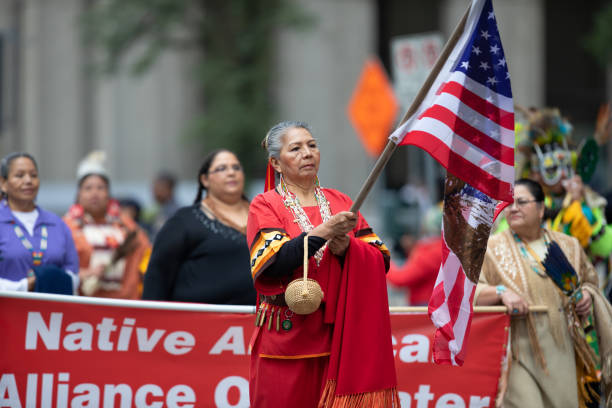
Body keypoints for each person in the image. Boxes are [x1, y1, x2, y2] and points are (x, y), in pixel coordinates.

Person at [247, 121, 398, 407]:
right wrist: (324, 233)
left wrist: (347, 249)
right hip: (286, 338)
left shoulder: (340, 201)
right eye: (296, 148)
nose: (307, 153)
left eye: (312, 145)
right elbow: (274, 262)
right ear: (276, 163)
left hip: (338, 338)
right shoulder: (265, 205)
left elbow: (382, 260)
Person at [475, 178, 612, 408]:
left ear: (540, 209)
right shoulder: (491, 248)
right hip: (518, 351)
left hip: (564, 350)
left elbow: (590, 281)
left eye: (521, 202)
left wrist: (587, 295)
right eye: (509, 203)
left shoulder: (568, 245)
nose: (513, 208)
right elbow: (473, 290)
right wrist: (501, 292)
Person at [142, 150, 256, 305]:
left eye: (236, 168)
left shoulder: (264, 218)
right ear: (205, 179)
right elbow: (158, 276)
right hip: (195, 325)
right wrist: (152, 320)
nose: (231, 173)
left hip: (259, 322)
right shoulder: (184, 221)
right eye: (222, 168)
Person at [63, 151, 150, 299]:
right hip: (82, 303)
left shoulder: (125, 224)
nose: (95, 193)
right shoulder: (66, 226)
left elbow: (146, 254)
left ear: (109, 194)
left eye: (100, 188)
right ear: (79, 194)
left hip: (125, 301)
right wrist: (84, 274)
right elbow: (56, 266)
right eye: (88, 188)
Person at [0, 152, 79, 294]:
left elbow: (73, 275)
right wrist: (24, 286)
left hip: (49, 313)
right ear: (3, 183)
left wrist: (48, 280)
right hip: (7, 311)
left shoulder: (57, 224)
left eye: (33, 175)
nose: (28, 180)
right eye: (19, 175)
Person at [387, 205, 442, 305]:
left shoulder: (433, 252)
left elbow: (400, 279)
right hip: (432, 305)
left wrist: (383, 260)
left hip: (424, 307)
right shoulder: (441, 249)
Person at [142, 171, 180, 240]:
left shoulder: (175, 212)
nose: (154, 192)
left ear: (169, 189)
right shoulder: (153, 209)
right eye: (154, 188)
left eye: (159, 188)